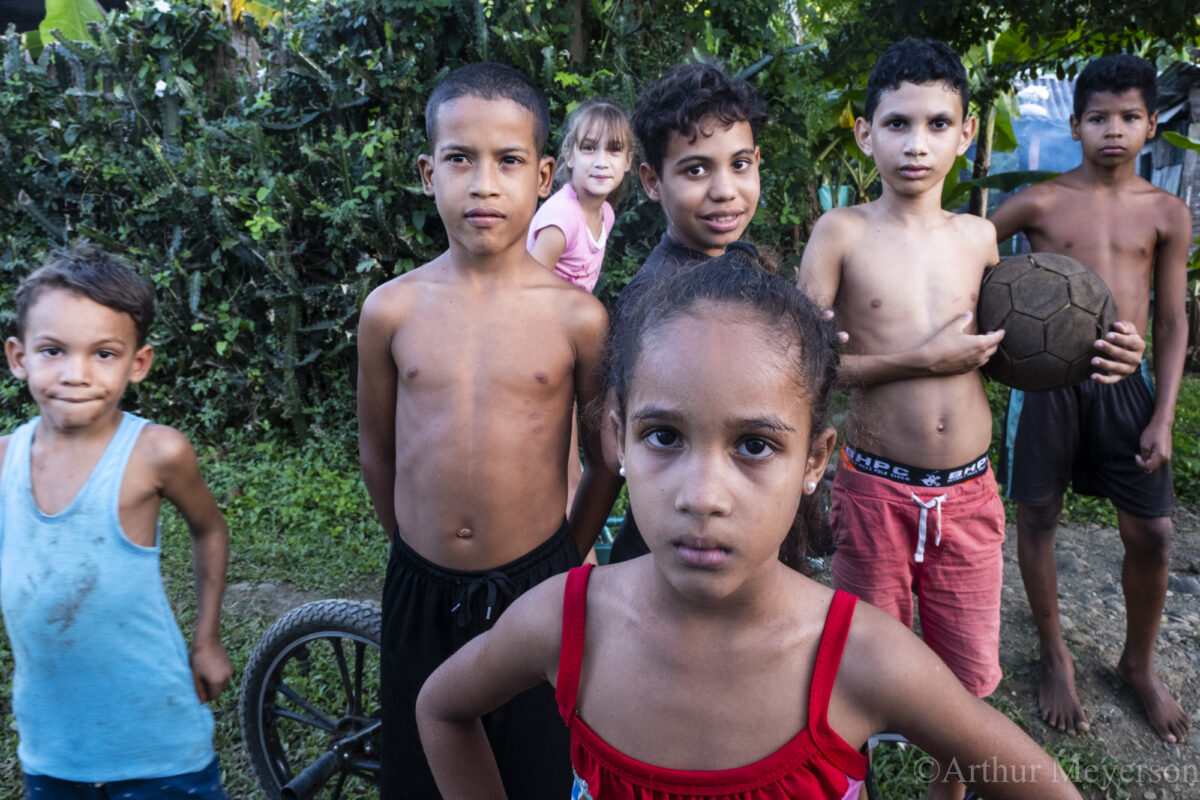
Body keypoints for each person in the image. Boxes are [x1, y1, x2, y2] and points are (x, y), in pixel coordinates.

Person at [416, 251, 1081, 800]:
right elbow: (442, 709)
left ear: (815, 460)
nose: (703, 496)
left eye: (754, 445)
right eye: (665, 436)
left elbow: (1032, 782)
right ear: (616, 436)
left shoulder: (865, 659)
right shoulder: (563, 626)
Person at [356, 61, 622, 798]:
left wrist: (562, 558)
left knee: (533, 767)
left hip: (536, 586)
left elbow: (606, 462)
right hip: (418, 586)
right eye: (459, 159)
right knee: (419, 771)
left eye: (507, 161)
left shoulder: (578, 319)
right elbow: (378, 451)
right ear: (426, 171)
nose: (483, 183)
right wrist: (413, 548)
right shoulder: (390, 311)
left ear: (542, 176)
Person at [798, 38, 1010, 800]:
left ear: (965, 133)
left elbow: (1019, 351)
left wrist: (1102, 351)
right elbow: (806, 368)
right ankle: (850, 789)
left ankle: (943, 796)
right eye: (896, 124)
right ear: (865, 133)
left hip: (970, 495)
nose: (915, 144)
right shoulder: (842, 233)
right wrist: (918, 362)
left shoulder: (981, 240)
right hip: (876, 491)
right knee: (857, 669)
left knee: (961, 686)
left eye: (935, 123)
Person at [990, 53, 1190, 744]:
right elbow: (963, 249)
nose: (1114, 130)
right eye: (1099, 117)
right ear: (1074, 124)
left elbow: (1171, 320)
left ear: (1151, 124)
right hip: (1046, 389)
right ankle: (1055, 654)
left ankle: (1138, 665)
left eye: (1129, 117)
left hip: (1124, 383)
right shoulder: (1040, 201)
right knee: (1038, 517)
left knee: (1154, 533)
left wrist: (1163, 414)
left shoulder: (1166, 211)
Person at [0, 243, 232, 799]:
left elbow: (210, 528)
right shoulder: (4, 460)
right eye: (52, 350)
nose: (75, 374)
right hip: (53, 748)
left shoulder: (156, 454)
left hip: (161, 744)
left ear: (138, 363)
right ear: (18, 357)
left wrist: (206, 639)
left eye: (103, 354)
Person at [605, 59, 767, 563]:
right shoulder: (660, 301)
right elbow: (619, 450)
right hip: (680, 545)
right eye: (696, 169)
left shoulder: (738, 264)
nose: (724, 189)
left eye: (740, 164)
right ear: (652, 181)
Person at [528, 98, 634, 511]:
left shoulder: (604, 214)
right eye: (589, 148)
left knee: (575, 445)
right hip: (538, 341)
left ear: (628, 162)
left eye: (613, 150)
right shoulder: (561, 219)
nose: (601, 161)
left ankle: (572, 526)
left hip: (566, 341)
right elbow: (528, 288)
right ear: (568, 155)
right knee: (551, 443)